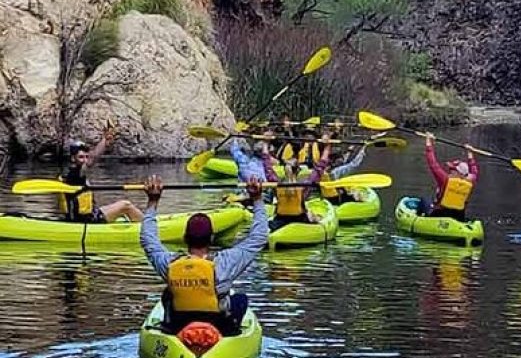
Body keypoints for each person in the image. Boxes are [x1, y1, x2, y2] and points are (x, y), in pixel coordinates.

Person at [140, 175, 268, 335]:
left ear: (185, 238)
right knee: (240, 299)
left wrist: (153, 202)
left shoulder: (169, 264)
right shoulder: (225, 262)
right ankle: (228, 337)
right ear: (212, 238)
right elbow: (259, 236)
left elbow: (148, 240)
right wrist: (257, 199)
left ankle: (170, 329)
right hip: (219, 326)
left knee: (168, 294)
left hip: (179, 325)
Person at [59, 128, 144, 223]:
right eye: (81, 157)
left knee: (114, 206)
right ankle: (149, 227)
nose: (85, 160)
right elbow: (92, 159)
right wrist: (104, 141)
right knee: (126, 205)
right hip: (86, 221)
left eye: (86, 157)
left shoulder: (69, 173)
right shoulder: (75, 174)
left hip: (86, 215)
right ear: (73, 159)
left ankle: (141, 221)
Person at [264, 135, 332, 231]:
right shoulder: (304, 185)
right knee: (314, 216)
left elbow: (267, 166)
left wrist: (265, 143)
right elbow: (320, 167)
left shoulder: (276, 184)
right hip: (300, 220)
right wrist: (327, 147)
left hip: (279, 222)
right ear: (297, 171)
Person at [420, 133, 478, 221]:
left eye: (452, 170)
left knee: (424, 200)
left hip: (438, 216)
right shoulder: (470, 182)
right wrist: (470, 153)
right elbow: (474, 171)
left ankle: (420, 218)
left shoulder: (445, 180)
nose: (449, 171)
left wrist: (428, 142)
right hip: (458, 217)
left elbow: (433, 164)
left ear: (460, 173)